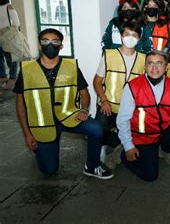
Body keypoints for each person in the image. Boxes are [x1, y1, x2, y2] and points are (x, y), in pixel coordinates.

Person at [14, 28, 113, 179]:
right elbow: (20, 104)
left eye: (55, 41)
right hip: (42, 124)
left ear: (61, 45)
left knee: (96, 129)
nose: (50, 45)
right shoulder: (27, 70)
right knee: (49, 170)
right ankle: (40, 149)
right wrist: (27, 134)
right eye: (45, 41)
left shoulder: (71, 66)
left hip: (68, 116)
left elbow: (84, 94)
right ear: (40, 45)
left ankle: (93, 166)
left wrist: (84, 110)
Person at [117, 50, 170, 181]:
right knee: (150, 176)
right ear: (145, 66)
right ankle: (122, 152)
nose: (154, 68)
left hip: (163, 130)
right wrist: (128, 146)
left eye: (159, 63)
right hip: (143, 136)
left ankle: (164, 149)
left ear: (166, 67)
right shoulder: (132, 86)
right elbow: (122, 120)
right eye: (150, 63)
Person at [93, 21, 145, 169]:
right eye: (127, 34)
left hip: (131, 108)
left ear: (139, 38)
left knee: (140, 131)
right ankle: (103, 146)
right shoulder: (109, 55)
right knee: (98, 129)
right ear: (121, 36)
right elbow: (97, 82)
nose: (130, 37)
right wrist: (103, 100)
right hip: (108, 105)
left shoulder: (143, 59)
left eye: (134, 35)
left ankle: (118, 150)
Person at [0, 0, 20, 94]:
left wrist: (11, 33)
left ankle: (13, 78)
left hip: (7, 35)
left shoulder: (8, 6)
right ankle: (2, 76)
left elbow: (16, 22)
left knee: (10, 58)